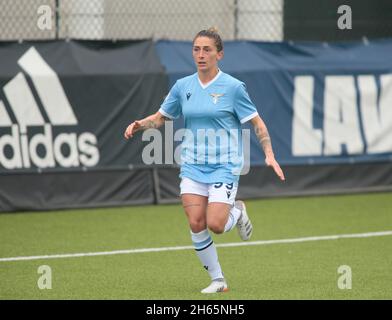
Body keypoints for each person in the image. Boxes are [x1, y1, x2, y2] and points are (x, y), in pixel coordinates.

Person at [124, 27, 285, 294]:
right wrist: (141, 124)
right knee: (196, 222)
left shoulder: (233, 88)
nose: (201, 54)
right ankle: (218, 280)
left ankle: (238, 211)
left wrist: (269, 153)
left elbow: (257, 124)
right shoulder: (182, 86)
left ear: (219, 54)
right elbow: (161, 117)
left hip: (224, 164)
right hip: (192, 165)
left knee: (216, 225)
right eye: (196, 49)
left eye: (207, 49)